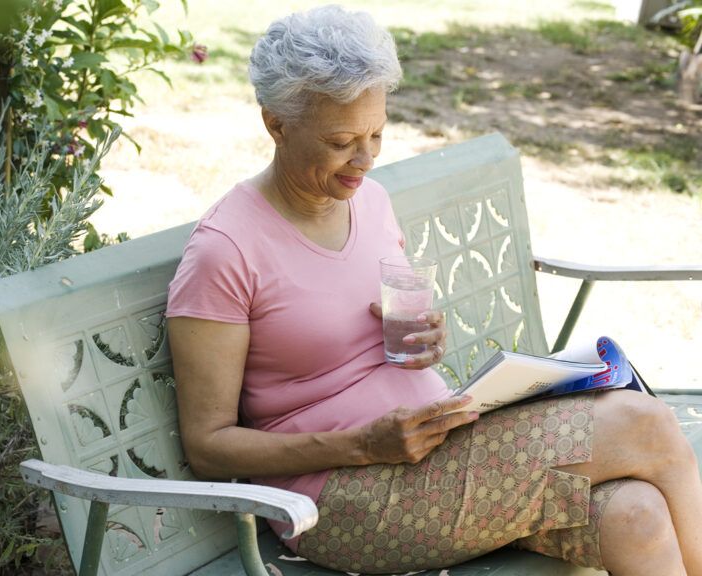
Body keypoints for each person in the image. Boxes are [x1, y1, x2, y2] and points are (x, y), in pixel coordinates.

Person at [165, 5, 702, 575]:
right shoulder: (225, 250)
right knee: (643, 423)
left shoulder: (368, 201)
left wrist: (424, 340)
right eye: (343, 140)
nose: (366, 160)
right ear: (276, 124)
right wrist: (362, 446)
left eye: (376, 133)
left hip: (437, 452)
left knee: (635, 516)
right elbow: (208, 444)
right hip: (338, 500)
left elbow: (369, 334)